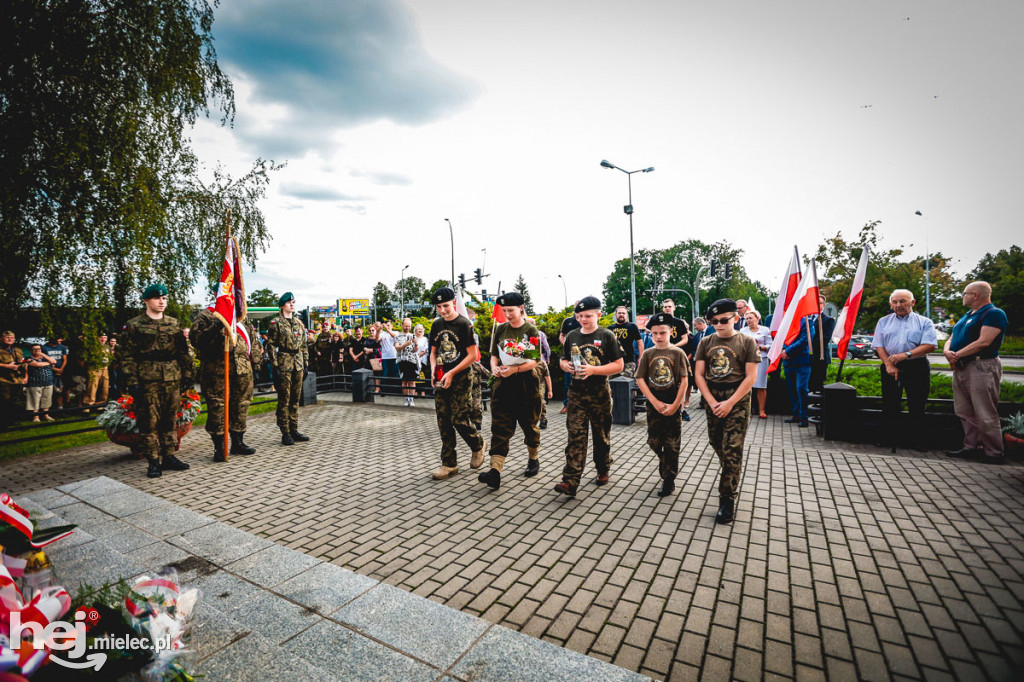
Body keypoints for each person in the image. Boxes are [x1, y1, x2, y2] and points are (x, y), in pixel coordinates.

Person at [116, 284, 194, 478]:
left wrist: (188, 375)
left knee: (169, 419)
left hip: (172, 378)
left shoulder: (173, 323)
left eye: (165, 298)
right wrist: (132, 381)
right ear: (146, 301)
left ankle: (168, 456)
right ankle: (153, 460)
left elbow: (182, 352)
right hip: (147, 379)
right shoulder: (135, 325)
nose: (162, 302)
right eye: (157, 298)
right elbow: (127, 356)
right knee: (148, 422)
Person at [693, 299, 760, 524]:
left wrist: (730, 402)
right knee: (716, 442)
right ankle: (733, 471)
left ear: (735, 318)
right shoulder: (706, 342)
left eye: (724, 320)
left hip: (737, 397)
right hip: (713, 396)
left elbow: (751, 377)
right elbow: (699, 374)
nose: (719, 325)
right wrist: (711, 402)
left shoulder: (747, 342)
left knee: (732, 448)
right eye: (714, 321)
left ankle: (727, 500)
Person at [554, 296, 624, 498]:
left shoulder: (607, 335)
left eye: (588, 316)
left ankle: (603, 468)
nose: (583, 319)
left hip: (599, 393)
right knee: (575, 436)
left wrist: (594, 370)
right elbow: (563, 359)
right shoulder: (572, 336)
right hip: (576, 394)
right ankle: (570, 481)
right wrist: (565, 365)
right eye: (580, 316)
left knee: (601, 436)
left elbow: (618, 365)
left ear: (598, 315)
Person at [480, 293, 543, 489]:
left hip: (526, 383)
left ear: (521, 308)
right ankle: (495, 471)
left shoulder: (530, 330)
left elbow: (535, 360)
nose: (507, 314)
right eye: (505, 311)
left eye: (511, 311)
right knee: (500, 427)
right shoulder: (500, 329)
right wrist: (495, 368)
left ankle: (533, 458)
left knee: (529, 424)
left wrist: (515, 368)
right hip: (503, 384)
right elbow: (493, 355)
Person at [945, 281, 1008, 464]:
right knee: (964, 411)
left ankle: (994, 452)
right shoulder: (966, 315)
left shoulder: (994, 314)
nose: (963, 296)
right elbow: (952, 337)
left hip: (981, 367)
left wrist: (956, 355)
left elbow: (984, 342)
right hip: (962, 367)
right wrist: (947, 352)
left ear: (976, 295)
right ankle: (971, 447)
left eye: (965, 293)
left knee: (985, 411)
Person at [428, 286, 487, 480]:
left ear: (454, 303)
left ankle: (478, 444)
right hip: (441, 376)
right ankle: (449, 464)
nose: (443, 310)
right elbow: (433, 352)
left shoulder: (464, 323)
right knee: (443, 421)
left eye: (445, 305)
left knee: (459, 419)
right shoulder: (436, 325)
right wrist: (432, 371)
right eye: (438, 306)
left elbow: (472, 355)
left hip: (461, 376)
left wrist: (452, 373)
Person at [191, 307, 263, 461]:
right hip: (217, 371)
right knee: (218, 408)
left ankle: (238, 442)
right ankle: (219, 447)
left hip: (242, 370)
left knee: (241, 405)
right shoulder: (206, 315)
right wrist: (217, 324)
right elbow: (196, 340)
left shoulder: (242, 316)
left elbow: (253, 341)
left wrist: (256, 364)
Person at [871, 289, 938, 448]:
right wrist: (888, 364)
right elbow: (878, 345)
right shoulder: (883, 321)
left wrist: (906, 355)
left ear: (912, 302)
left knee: (917, 403)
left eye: (902, 301)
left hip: (916, 365)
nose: (898, 305)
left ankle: (917, 440)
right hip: (890, 365)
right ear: (890, 304)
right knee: (890, 403)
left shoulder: (924, 322)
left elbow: (929, 345)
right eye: (895, 302)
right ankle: (889, 438)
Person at [635, 312, 689, 497]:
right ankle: (664, 462)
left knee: (672, 444)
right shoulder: (648, 353)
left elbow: (684, 380)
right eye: (655, 333)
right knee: (654, 441)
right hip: (654, 403)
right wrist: (654, 401)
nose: (658, 337)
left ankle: (669, 479)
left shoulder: (677, 353)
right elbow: (640, 378)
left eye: (662, 333)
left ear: (671, 332)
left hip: (672, 400)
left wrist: (676, 405)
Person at [267, 292, 310, 446]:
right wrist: (275, 367)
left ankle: (294, 429)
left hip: (297, 363)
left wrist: (306, 364)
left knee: (295, 399)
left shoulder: (299, 323)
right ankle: (285, 432)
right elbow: (271, 346)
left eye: (293, 302)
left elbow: (304, 345)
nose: (292, 304)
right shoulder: (276, 323)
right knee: (284, 399)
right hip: (284, 363)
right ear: (282, 305)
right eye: (289, 302)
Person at [781, 313, 815, 427]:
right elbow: (779, 337)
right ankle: (796, 415)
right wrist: (783, 350)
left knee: (801, 388)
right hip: (788, 361)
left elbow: (805, 339)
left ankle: (804, 417)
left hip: (802, 362)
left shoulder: (807, 321)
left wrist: (788, 351)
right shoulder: (786, 321)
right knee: (792, 390)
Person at [740, 310, 772, 419]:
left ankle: (761, 410)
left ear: (757, 318)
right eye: (747, 318)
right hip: (746, 360)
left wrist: (760, 347)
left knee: (761, 386)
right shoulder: (742, 331)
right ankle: (745, 409)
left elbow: (770, 346)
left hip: (761, 360)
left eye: (751, 318)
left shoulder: (765, 330)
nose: (748, 320)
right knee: (746, 385)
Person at [809, 295, 837, 393]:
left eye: (820, 303)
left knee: (817, 386)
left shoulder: (828, 320)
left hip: (819, 358)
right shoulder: (806, 319)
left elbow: (824, 339)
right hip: (806, 359)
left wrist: (806, 343)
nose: (817, 305)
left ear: (824, 305)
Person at [558, 305, 582, 414]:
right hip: (570, 356)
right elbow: (561, 335)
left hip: (585, 356)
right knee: (568, 381)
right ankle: (566, 405)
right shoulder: (568, 321)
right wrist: (566, 345)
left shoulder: (586, 320)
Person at [608, 306, 643, 378]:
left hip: (629, 361)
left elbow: (639, 342)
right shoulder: (610, 328)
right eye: (619, 313)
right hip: (614, 361)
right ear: (616, 315)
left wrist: (640, 357)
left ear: (626, 315)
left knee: (625, 383)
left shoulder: (632, 326)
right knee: (612, 383)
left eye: (623, 313)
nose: (621, 315)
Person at [23, 344, 56, 422]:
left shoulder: (45, 358)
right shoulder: (28, 358)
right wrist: (49, 364)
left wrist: (43, 354)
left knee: (47, 399)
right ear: (31, 351)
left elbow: (54, 361)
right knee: (35, 400)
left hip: (48, 381)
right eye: (35, 349)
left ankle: (46, 415)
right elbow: (36, 364)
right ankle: (35, 417)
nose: (37, 350)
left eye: (39, 349)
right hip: (35, 382)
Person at [0, 331, 26, 430]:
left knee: (13, 401)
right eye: (7, 337)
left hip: (17, 379)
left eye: (12, 337)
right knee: (4, 401)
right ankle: (4, 423)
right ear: (1, 339)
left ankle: (13, 421)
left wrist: (25, 373)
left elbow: (23, 362)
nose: (10, 339)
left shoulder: (18, 350)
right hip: (3, 380)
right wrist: (7, 366)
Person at [395, 318, 419, 406]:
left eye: (409, 326)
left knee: (412, 381)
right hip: (402, 360)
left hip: (412, 360)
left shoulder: (413, 336)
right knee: (404, 380)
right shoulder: (398, 336)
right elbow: (397, 348)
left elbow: (416, 350)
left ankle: (411, 399)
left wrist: (416, 344)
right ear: (402, 325)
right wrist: (405, 344)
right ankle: (406, 398)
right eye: (406, 326)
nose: (407, 328)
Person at [85, 332, 112, 409]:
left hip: (105, 368)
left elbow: (110, 357)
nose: (103, 339)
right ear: (98, 338)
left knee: (104, 387)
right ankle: (88, 406)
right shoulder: (93, 346)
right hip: (95, 368)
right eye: (101, 337)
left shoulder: (107, 347)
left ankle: (100, 405)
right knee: (92, 387)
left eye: (105, 338)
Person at [42, 335, 69, 409]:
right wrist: (54, 369)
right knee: (49, 391)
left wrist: (61, 369)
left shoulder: (62, 347)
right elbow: (43, 360)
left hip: (61, 371)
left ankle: (61, 406)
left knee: (60, 389)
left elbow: (65, 359)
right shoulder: (44, 348)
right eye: (59, 339)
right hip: (49, 371)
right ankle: (49, 407)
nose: (61, 341)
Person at [378, 319, 398, 388]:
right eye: (386, 325)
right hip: (385, 357)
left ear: (392, 326)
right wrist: (378, 330)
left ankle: (396, 390)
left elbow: (394, 336)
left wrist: (387, 329)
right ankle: (383, 390)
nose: (387, 327)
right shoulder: (382, 334)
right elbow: (377, 339)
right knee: (385, 373)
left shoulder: (396, 332)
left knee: (395, 373)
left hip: (394, 356)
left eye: (389, 325)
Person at [535, 357, 553, 429]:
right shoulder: (525, 361)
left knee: (540, 400)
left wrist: (550, 390)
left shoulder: (542, 362)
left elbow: (547, 377)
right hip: (529, 384)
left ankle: (543, 418)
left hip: (540, 384)